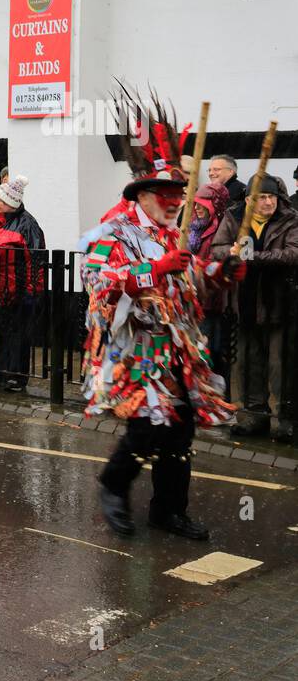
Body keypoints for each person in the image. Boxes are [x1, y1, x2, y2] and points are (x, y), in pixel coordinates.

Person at [84, 93, 242, 540]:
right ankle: (114, 485)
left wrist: (219, 271)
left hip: (179, 346)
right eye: (167, 193)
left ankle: (168, 510)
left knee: (181, 430)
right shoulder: (112, 229)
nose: (175, 201)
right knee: (147, 425)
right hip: (136, 345)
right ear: (142, 194)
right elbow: (96, 279)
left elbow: (190, 283)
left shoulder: (175, 235)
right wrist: (148, 270)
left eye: (179, 193)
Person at [211, 174, 298, 441]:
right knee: (249, 363)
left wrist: (252, 257)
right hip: (244, 302)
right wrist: (232, 252)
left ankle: (286, 421)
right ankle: (254, 417)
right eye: (261, 198)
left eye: (271, 197)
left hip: (280, 304)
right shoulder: (234, 218)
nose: (268, 202)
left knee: (280, 365)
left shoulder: (290, 218)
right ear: (249, 200)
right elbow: (217, 248)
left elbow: (293, 253)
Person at [0, 175, 44, 392]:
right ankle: (0, 371)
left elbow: (36, 258)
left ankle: (17, 375)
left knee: (17, 334)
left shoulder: (27, 224)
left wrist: (32, 290)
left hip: (17, 290)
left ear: (10, 202)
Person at [186, 182, 233, 389]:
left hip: (211, 301)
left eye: (202, 204)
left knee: (210, 349)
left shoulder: (221, 230)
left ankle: (213, 392)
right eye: (196, 203)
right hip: (192, 297)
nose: (197, 208)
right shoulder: (193, 227)